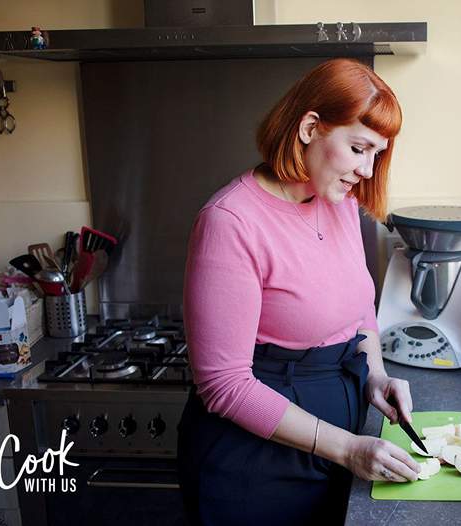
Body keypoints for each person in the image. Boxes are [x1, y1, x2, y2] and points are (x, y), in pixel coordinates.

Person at [177, 58, 421, 526]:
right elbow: (224, 385)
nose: (368, 170)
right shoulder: (230, 222)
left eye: (378, 153)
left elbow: (358, 312)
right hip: (253, 469)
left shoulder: (340, 201)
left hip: (335, 453)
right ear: (310, 127)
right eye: (358, 148)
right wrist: (347, 448)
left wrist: (375, 376)